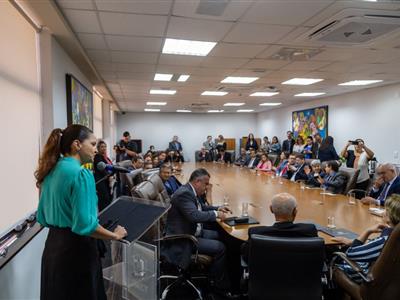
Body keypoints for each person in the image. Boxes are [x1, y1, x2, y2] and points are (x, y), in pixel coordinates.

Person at [35, 125, 127, 300]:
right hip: (76, 253)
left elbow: (42, 218)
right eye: (92, 144)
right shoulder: (81, 174)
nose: (95, 149)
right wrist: (115, 236)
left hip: (52, 249)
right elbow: (85, 226)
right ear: (77, 144)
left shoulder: (50, 170)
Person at [164, 168, 231, 293]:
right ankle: (218, 286)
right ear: (197, 182)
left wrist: (218, 207)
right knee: (220, 247)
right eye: (206, 184)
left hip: (194, 230)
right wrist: (216, 214)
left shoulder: (190, 191)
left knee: (223, 236)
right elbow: (194, 215)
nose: (207, 187)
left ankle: (219, 274)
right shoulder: (184, 194)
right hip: (184, 238)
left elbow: (201, 207)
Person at [333, 194, 400, 284]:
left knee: (333, 258)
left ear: (389, 216)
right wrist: (352, 241)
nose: (383, 212)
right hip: (389, 283)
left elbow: (351, 253)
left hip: (368, 280)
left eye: (386, 210)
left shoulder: (386, 241)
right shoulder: (394, 237)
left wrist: (368, 231)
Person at [241, 193, 318, 263]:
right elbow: (321, 256)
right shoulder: (309, 230)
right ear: (295, 211)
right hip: (303, 276)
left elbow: (246, 256)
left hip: (265, 277)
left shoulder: (256, 233)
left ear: (271, 209)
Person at [93, 140, 113, 212]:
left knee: (108, 200)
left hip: (106, 181)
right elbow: (102, 169)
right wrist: (109, 175)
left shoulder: (105, 157)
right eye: (102, 147)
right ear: (98, 148)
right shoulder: (98, 157)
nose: (104, 148)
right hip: (101, 181)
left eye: (105, 147)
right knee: (104, 200)